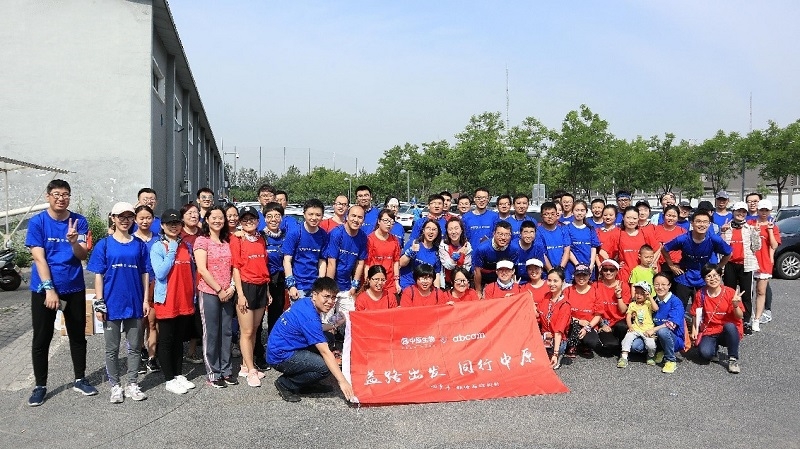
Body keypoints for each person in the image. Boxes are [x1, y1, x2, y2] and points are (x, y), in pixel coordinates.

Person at [26, 179, 98, 406]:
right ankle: (40, 385)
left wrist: (74, 242)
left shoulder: (79, 221)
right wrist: (50, 290)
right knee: (42, 338)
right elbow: (39, 258)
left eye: (65, 194)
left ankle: (80, 379)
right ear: (48, 196)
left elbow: (82, 255)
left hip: (73, 288)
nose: (61, 198)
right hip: (44, 290)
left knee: (77, 336)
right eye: (56, 194)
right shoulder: (38, 222)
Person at [87, 202, 149, 403]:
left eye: (129, 216)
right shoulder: (104, 244)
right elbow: (98, 275)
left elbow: (145, 274)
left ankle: (132, 383)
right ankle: (115, 386)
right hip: (112, 304)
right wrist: (99, 303)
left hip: (135, 303)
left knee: (135, 347)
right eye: (121, 216)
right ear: (113, 218)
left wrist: (145, 300)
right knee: (111, 348)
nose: (125, 220)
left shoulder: (139, 244)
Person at [267, 277, 355, 402]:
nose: (330, 301)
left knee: (329, 338)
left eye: (333, 297)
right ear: (314, 295)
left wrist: (335, 324)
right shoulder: (310, 317)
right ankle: (285, 383)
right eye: (326, 296)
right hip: (280, 356)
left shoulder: (306, 302)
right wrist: (343, 382)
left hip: (286, 346)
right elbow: (325, 352)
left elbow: (316, 328)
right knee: (325, 367)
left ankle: (306, 383)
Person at [150, 209, 197, 395]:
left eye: (177, 223)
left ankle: (178, 374)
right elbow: (160, 273)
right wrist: (171, 250)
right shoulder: (158, 247)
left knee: (179, 340)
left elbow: (191, 272)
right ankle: (169, 379)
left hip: (184, 299)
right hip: (167, 300)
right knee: (166, 340)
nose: (174, 226)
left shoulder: (186, 245)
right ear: (162, 226)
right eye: (170, 224)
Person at [194, 206, 236, 388]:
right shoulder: (202, 241)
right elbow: (202, 269)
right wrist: (219, 289)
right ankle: (213, 372)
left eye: (221, 218)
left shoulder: (227, 240)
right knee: (211, 333)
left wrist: (232, 287)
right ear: (207, 220)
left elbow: (234, 267)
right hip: (209, 292)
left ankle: (226, 370)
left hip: (228, 292)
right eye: (214, 217)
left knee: (226, 332)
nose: (218, 221)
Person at [230, 205, 270, 387]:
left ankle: (246, 365)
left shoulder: (261, 238)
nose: (248, 222)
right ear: (240, 222)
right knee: (246, 331)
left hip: (261, 286)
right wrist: (240, 294)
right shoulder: (237, 239)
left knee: (254, 329)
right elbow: (236, 268)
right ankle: (251, 370)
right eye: (245, 219)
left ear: (257, 220)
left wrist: (267, 290)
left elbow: (263, 265)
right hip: (246, 287)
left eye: (252, 219)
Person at [662, 209, 732, 309]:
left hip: (705, 277)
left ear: (709, 224)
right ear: (692, 223)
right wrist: (671, 265)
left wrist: (718, 267)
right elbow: (664, 249)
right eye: (698, 221)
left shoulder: (714, 239)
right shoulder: (683, 239)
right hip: (685, 276)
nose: (701, 225)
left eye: (705, 222)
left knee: (704, 307)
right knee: (679, 307)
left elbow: (728, 253)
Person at [690, 264, 745, 374]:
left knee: (730, 326)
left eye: (715, 275)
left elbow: (740, 316)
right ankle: (714, 350)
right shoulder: (701, 294)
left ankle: (733, 359)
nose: (712, 279)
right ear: (704, 278)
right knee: (705, 354)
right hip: (710, 329)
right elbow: (695, 313)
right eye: (708, 276)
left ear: (720, 276)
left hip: (728, 330)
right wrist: (694, 330)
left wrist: (735, 305)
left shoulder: (730, 292)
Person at [632, 272, 686, 374]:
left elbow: (671, 324)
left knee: (663, 331)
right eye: (657, 284)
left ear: (669, 285)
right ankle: (660, 351)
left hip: (673, 338)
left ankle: (670, 360)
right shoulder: (653, 301)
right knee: (635, 346)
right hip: (655, 336)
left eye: (663, 284)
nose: (660, 287)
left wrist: (654, 330)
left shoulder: (676, 302)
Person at [721, 201, 761, 334]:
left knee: (746, 295)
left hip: (746, 265)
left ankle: (746, 321)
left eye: (744, 212)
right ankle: (730, 319)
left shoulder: (750, 228)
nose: (741, 214)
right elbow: (721, 247)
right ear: (733, 212)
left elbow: (757, 247)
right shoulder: (726, 227)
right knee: (729, 293)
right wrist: (722, 232)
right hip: (729, 264)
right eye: (739, 211)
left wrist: (756, 233)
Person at [324, 205, 367, 322]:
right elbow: (331, 262)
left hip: (347, 287)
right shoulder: (336, 233)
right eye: (353, 216)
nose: (356, 220)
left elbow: (360, 262)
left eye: (360, 217)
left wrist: (354, 285)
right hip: (332, 284)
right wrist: (329, 288)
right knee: (326, 320)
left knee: (349, 319)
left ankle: (338, 330)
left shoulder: (362, 237)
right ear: (347, 216)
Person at [283, 199, 329, 301]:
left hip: (315, 286)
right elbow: (287, 260)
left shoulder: (323, 235)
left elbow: (322, 261)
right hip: (298, 286)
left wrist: (320, 284)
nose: (314, 218)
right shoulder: (295, 233)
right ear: (304, 214)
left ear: (322, 216)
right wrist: (291, 285)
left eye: (318, 215)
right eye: (310, 214)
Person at [132, 204, 160, 373]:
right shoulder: (130, 239)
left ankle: (152, 357)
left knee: (152, 322)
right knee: (138, 323)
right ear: (135, 220)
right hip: (135, 285)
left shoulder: (159, 239)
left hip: (155, 284)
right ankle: (139, 351)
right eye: (141, 218)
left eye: (148, 218)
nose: (145, 221)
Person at [179, 202, 204, 364]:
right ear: (182, 217)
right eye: (189, 213)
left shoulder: (203, 234)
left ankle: (192, 351)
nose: (194, 216)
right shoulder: (178, 234)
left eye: (196, 213)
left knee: (197, 317)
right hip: (182, 280)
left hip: (200, 281)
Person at [752, 199, 780, 331]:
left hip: (764, 261)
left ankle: (757, 319)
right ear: (758, 210)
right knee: (747, 291)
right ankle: (748, 316)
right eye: (762, 210)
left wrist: (769, 230)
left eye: (766, 210)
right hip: (750, 260)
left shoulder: (773, 226)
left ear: (770, 211)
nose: (764, 212)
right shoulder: (751, 223)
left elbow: (774, 245)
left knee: (761, 291)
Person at [617, 281, 660, 368]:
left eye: (642, 293)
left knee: (651, 344)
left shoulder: (648, 303)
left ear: (647, 294)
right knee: (627, 339)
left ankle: (651, 356)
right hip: (635, 328)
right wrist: (630, 326)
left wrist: (650, 298)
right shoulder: (632, 304)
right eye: (637, 293)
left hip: (647, 329)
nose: (639, 295)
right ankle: (624, 357)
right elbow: (628, 316)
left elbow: (656, 309)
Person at [563, 264, 601, 356]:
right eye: (578, 275)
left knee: (592, 342)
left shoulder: (595, 291)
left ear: (589, 276)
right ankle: (572, 345)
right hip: (571, 323)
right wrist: (579, 321)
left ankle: (583, 344)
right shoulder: (568, 291)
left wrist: (587, 328)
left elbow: (598, 315)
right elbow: (563, 313)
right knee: (573, 329)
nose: (581, 278)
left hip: (588, 325)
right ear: (574, 276)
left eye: (584, 275)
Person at [593, 259, 630, 351]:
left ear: (617, 271)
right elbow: (593, 309)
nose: (608, 272)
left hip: (618, 322)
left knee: (622, 327)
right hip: (603, 321)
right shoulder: (596, 285)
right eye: (605, 269)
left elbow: (623, 310)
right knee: (610, 346)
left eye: (612, 270)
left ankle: (622, 345)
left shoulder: (623, 285)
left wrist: (618, 296)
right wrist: (602, 325)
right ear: (602, 271)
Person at [472, 221, 518, 297]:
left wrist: (514, 288)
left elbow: (513, 270)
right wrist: (478, 291)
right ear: (494, 234)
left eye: (507, 235)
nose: (503, 238)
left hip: (503, 279)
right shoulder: (482, 249)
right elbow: (477, 271)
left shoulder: (514, 249)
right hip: (484, 278)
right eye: (500, 234)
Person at [263, 202, 287, 341]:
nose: (273, 219)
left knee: (276, 314)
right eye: (269, 216)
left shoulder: (285, 236)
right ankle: (256, 348)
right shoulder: (260, 236)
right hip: (263, 280)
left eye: (277, 216)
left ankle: (273, 343)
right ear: (265, 218)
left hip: (279, 280)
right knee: (259, 317)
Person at [365, 209, 402, 298]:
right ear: (379, 221)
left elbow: (396, 262)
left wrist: (396, 282)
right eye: (386, 221)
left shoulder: (395, 240)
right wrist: (367, 280)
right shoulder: (370, 239)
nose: (389, 224)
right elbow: (367, 263)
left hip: (390, 283)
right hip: (375, 282)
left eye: (391, 222)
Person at [539, 267, 571, 370]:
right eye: (549, 280)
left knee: (546, 366)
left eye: (555, 281)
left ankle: (557, 354)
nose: (551, 284)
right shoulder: (547, 296)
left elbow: (558, 332)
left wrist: (555, 354)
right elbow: (537, 314)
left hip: (557, 340)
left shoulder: (565, 305)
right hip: (544, 336)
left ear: (562, 282)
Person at [616, 206, 657, 284]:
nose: (631, 221)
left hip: (643, 276)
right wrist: (615, 264)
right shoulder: (618, 233)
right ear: (623, 218)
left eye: (634, 218)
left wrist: (651, 262)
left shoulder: (644, 233)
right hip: (625, 275)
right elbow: (603, 252)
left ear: (638, 219)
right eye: (628, 218)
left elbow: (657, 248)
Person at [399, 219, 442, 291]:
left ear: (437, 233)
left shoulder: (437, 252)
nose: (431, 232)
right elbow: (400, 263)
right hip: (406, 286)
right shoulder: (413, 243)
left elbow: (436, 274)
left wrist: (437, 292)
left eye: (434, 229)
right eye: (428, 228)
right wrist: (411, 252)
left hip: (423, 289)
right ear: (423, 230)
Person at [566, 200, 600, 282]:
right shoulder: (567, 228)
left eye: (582, 210)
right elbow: (567, 249)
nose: (579, 213)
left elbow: (593, 248)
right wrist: (577, 265)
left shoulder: (590, 229)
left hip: (588, 268)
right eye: (577, 210)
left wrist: (591, 265)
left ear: (586, 212)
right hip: (573, 268)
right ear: (572, 212)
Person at [535, 202, 571, 271]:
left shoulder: (563, 229)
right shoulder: (538, 232)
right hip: (547, 272)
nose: (550, 217)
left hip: (563, 270)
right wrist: (551, 271)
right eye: (546, 214)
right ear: (541, 216)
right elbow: (542, 254)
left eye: (552, 214)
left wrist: (561, 269)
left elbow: (567, 250)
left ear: (556, 215)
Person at [438, 217, 472, 289]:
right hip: (447, 282)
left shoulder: (467, 245)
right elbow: (448, 265)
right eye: (450, 229)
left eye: (456, 228)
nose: (453, 232)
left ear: (461, 230)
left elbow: (467, 267)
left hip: (461, 282)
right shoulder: (443, 245)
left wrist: (459, 281)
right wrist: (458, 253)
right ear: (447, 232)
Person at [652, 205, 686, 274]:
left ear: (678, 218)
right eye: (668, 215)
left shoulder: (683, 231)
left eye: (674, 216)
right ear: (663, 216)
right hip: (660, 265)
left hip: (678, 266)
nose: (671, 218)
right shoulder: (655, 230)